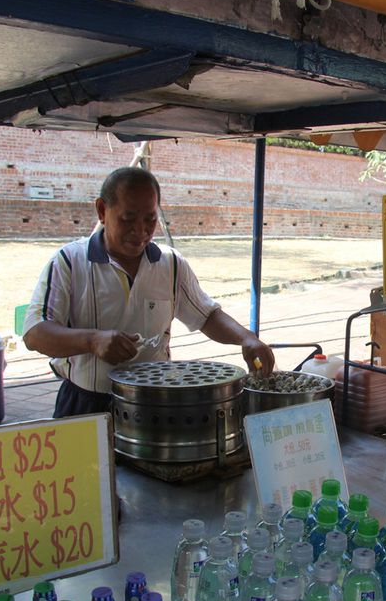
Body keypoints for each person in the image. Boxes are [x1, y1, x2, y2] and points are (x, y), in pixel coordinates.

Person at [23, 167, 275, 417]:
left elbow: (205, 315)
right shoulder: (69, 262)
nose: (140, 230)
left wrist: (246, 338)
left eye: (150, 219)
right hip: (86, 403)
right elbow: (35, 334)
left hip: (155, 405)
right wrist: (92, 341)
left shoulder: (170, 264)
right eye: (128, 219)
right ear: (102, 210)